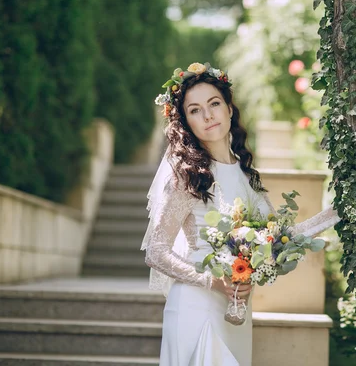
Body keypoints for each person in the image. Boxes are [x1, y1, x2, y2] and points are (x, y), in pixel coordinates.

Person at [141, 62, 340, 366]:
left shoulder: (247, 175)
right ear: (187, 123)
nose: (207, 115)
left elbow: (281, 239)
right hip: (196, 306)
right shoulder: (188, 176)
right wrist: (212, 281)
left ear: (229, 109)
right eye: (195, 110)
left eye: (214, 103)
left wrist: (336, 214)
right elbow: (156, 251)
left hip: (236, 311)